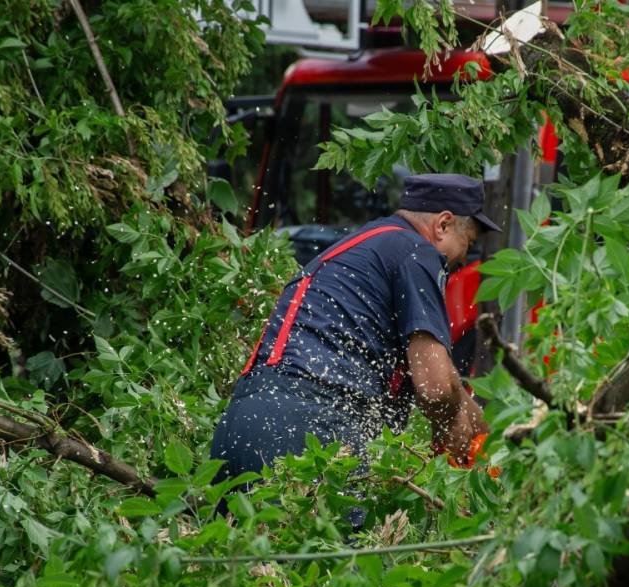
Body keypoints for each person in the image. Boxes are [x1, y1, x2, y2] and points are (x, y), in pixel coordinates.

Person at [210, 173, 501, 488]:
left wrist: (485, 433)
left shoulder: (365, 248)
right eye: (467, 243)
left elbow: (442, 385)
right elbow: (437, 388)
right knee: (343, 537)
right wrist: (456, 436)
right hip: (310, 427)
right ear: (443, 225)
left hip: (239, 424)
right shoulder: (416, 252)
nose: (462, 260)